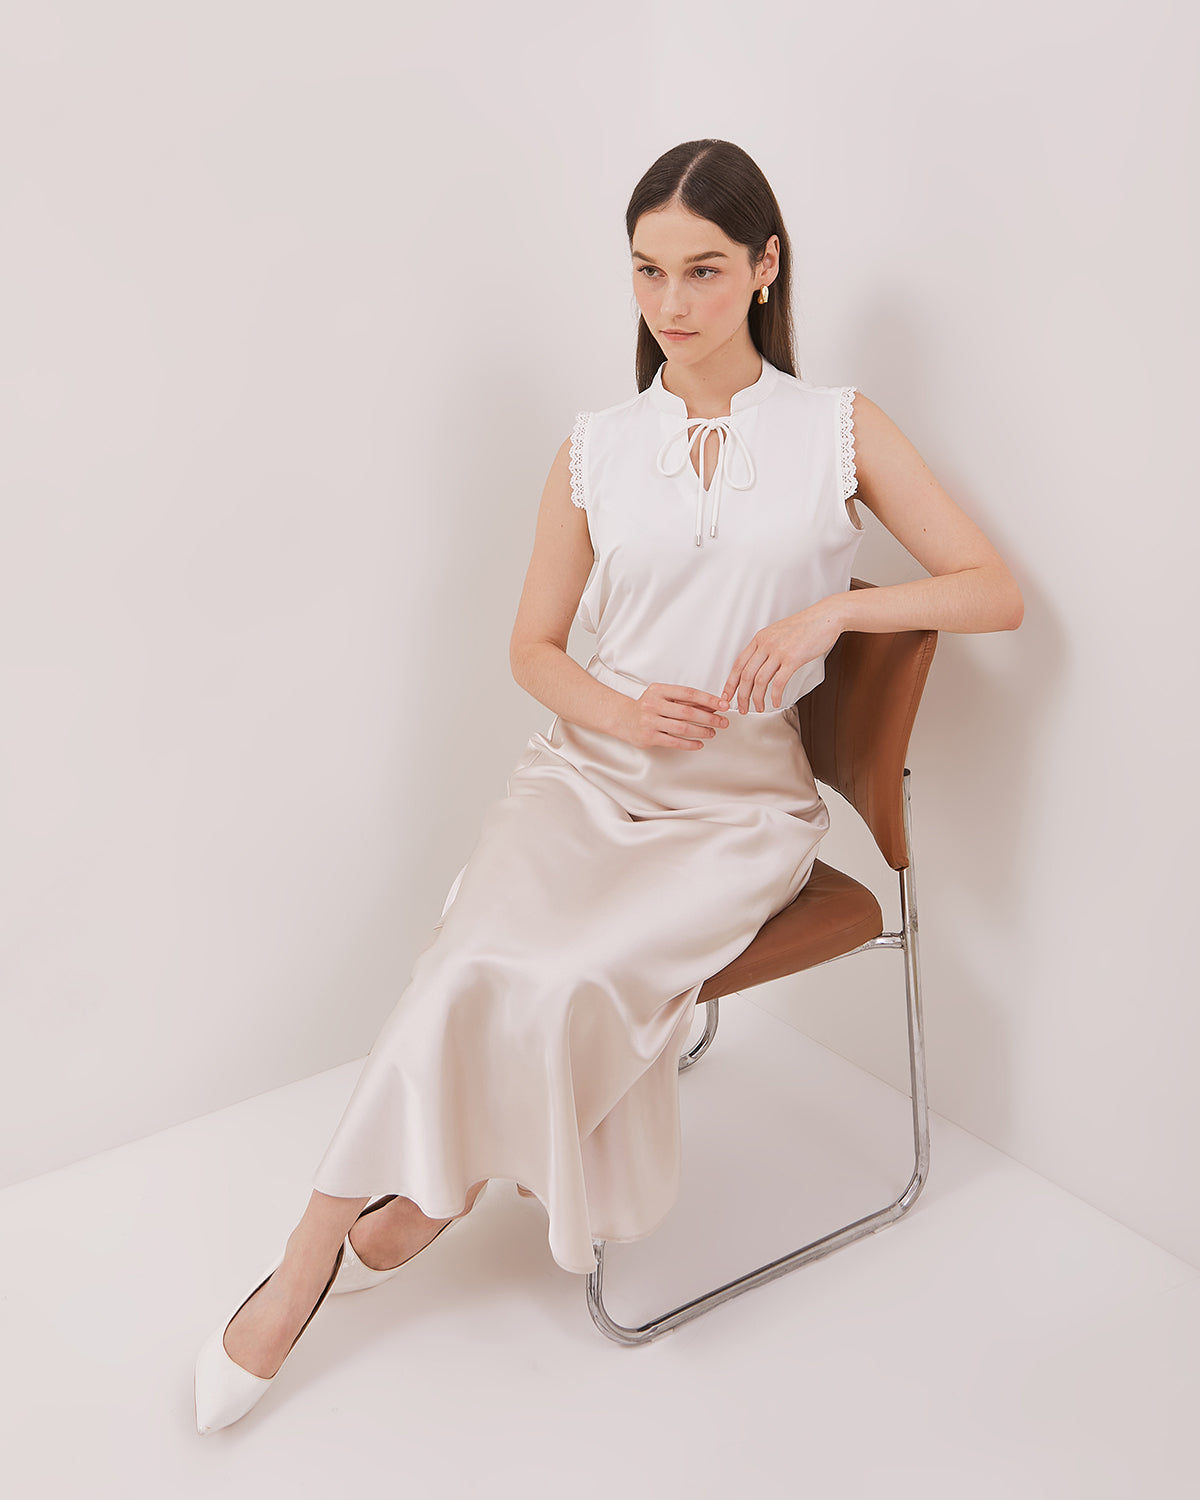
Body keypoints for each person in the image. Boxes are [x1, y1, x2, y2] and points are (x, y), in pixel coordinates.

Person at [194, 138, 1023, 1435]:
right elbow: (532, 650)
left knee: (573, 977)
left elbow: (992, 590)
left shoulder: (837, 430)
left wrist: (836, 617)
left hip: (736, 815)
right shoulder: (596, 449)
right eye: (646, 272)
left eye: (703, 270)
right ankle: (303, 1264)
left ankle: (451, 1185)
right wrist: (625, 710)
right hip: (583, 779)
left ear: (766, 266)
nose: (670, 303)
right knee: (470, 961)